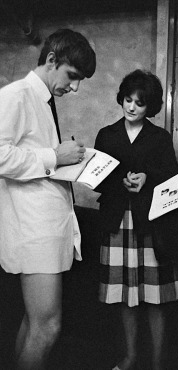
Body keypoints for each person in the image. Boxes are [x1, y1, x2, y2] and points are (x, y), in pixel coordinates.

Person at [0, 28, 96, 369]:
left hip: (46, 230)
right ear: (51, 60)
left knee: (34, 323)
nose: (75, 87)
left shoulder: (41, 100)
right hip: (34, 232)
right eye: (72, 76)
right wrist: (55, 157)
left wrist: (68, 162)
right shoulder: (17, 94)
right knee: (47, 327)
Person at [94, 69, 178, 370]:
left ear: (150, 106)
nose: (131, 107)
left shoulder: (160, 137)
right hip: (116, 222)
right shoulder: (107, 134)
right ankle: (130, 357)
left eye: (139, 103)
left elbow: (172, 178)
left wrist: (148, 178)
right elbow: (96, 179)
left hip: (152, 224)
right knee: (124, 295)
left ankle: (158, 363)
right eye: (127, 100)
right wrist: (120, 182)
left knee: (155, 296)